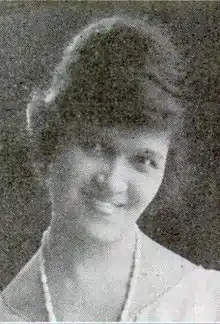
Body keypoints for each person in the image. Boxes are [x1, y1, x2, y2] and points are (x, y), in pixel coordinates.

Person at [1, 14, 220, 322]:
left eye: (143, 160)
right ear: (52, 140)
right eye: (96, 147)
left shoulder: (206, 302)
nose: (114, 182)